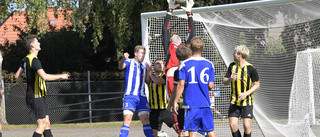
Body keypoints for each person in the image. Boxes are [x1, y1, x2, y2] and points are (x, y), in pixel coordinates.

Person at [14, 34, 69, 137]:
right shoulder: (34, 61)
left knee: (46, 124)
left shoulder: (26, 59)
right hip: (35, 97)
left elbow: (17, 76)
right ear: (32, 46)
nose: (39, 43)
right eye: (37, 42)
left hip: (38, 96)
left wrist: (25, 88)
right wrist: (61, 76)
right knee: (42, 125)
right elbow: (45, 77)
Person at [170, 36, 217, 137]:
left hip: (191, 104)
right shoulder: (210, 64)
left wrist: (175, 101)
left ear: (190, 48)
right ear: (203, 49)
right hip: (205, 103)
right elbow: (210, 85)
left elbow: (181, 84)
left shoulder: (185, 64)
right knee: (210, 131)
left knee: (192, 132)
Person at [222, 45, 260, 137]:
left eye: (235, 52)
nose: (233, 54)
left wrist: (245, 94)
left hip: (247, 102)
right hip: (234, 102)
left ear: (239, 55)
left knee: (246, 125)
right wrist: (230, 79)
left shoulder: (251, 68)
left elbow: (257, 84)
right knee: (233, 125)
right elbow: (224, 81)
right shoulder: (232, 66)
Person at [118, 45, 153, 137]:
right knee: (127, 120)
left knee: (146, 120)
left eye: (144, 54)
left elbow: (147, 82)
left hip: (142, 97)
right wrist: (123, 59)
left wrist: (149, 71)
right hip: (130, 96)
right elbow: (120, 67)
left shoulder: (144, 66)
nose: (143, 55)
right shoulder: (129, 62)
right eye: (142, 53)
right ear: (136, 53)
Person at [162, 0, 195, 98]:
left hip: (184, 73)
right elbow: (165, 29)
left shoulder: (184, 46)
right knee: (174, 105)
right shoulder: (169, 46)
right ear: (171, 39)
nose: (175, 37)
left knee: (186, 102)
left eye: (177, 36)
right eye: (173, 36)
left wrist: (189, 13)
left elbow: (192, 32)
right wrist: (169, 11)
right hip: (172, 73)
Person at [145, 59, 179, 137]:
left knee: (179, 130)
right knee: (154, 135)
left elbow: (158, 81)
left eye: (162, 63)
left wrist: (151, 73)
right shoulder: (150, 77)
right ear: (153, 66)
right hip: (154, 111)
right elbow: (147, 81)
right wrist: (148, 70)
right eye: (157, 63)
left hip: (166, 109)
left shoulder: (165, 76)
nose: (160, 65)